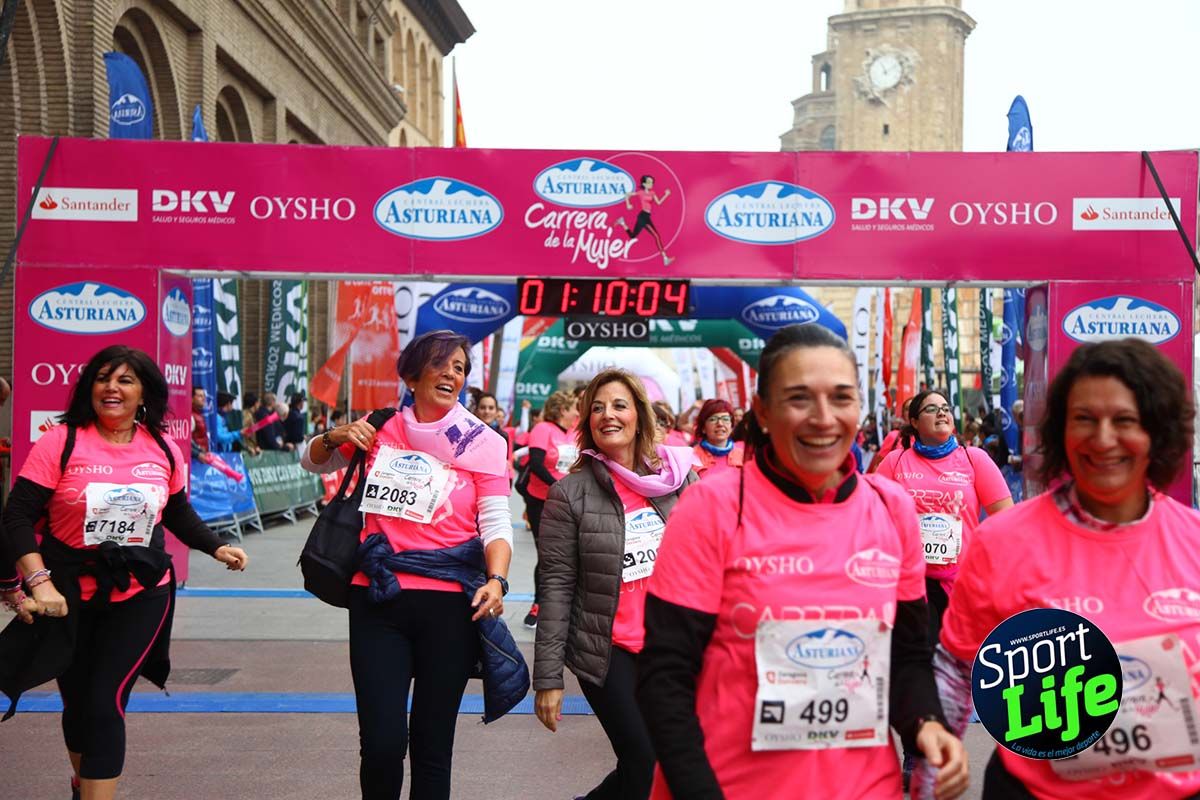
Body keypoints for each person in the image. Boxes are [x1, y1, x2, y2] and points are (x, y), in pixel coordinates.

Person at [636, 324, 968, 800]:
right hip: (728, 785)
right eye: (798, 399)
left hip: (864, 787)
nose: (823, 418)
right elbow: (664, 678)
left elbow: (906, 657)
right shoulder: (712, 507)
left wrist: (927, 725)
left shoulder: (891, 508)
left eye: (841, 397)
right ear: (763, 412)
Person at [921, 339, 1200, 800]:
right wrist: (934, 769)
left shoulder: (1193, 540)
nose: (1103, 438)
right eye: (1084, 419)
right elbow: (955, 668)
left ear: (1158, 431)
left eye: (1125, 420)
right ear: (1060, 431)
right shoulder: (1003, 541)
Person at [0, 345, 248, 800]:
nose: (112, 387)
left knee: (104, 702)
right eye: (103, 378)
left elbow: (176, 512)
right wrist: (39, 581)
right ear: (89, 389)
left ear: (144, 394)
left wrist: (217, 546)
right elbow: (17, 516)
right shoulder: (61, 440)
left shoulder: (163, 448)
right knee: (76, 703)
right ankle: (83, 785)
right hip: (67, 592)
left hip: (141, 592)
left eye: (125, 380)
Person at [300, 329, 522, 800]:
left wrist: (498, 579)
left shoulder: (484, 441)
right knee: (381, 745)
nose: (451, 374)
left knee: (432, 746)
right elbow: (313, 463)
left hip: (450, 608)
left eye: (460, 368)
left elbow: (496, 523)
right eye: (441, 363)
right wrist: (335, 435)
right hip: (378, 598)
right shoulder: (380, 426)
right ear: (412, 373)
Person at [534, 369, 697, 800]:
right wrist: (548, 678)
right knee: (646, 763)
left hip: (674, 648)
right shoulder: (569, 494)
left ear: (639, 416)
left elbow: (708, 560)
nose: (608, 415)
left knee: (662, 764)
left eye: (619, 405)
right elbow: (556, 586)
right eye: (598, 408)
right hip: (609, 652)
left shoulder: (678, 478)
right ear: (587, 422)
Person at [875, 388, 1013, 642]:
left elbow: (1007, 521)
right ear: (914, 422)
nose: (941, 412)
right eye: (931, 408)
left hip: (962, 582)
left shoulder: (974, 459)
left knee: (962, 658)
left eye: (946, 408)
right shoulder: (896, 462)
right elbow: (870, 514)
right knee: (920, 662)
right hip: (911, 582)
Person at [522, 390, 581, 629]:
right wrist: (558, 486)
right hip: (541, 500)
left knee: (568, 554)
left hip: (569, 503)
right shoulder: (542, 429)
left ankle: (567, 606)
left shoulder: (576, 432)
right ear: (561, 410)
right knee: (546, 555)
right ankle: (538, 604)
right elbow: (536, 464)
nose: (577, 412)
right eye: (573, 408)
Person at [617, 175, 674, 266]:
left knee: (633, 236)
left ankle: (622, 222)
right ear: (644, 184)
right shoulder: (640, 192)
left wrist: (666, 195)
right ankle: (665, 258)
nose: (651, 184)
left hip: (646, 216)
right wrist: (628, 204)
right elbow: (627, 194)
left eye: (652, 182)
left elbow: (658, 203)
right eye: (649, 182)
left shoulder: (652, 193)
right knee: (656, 236)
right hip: (643, 217)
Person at [691, 398, 745, 478]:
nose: (720, 423)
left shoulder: (744, 456)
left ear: (732, 426)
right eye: (713, 419)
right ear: (703, 428)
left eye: (725, 419)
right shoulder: (692, 457)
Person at [190, 386, 210, 454]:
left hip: (202, 458)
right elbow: (188, 441)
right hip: (195, 460)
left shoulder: (199, 414)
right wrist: (197, 453)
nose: (204, 398)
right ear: (192, 399)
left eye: (204, 396)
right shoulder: (190, 416)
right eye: (200, 396)